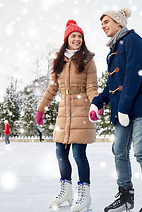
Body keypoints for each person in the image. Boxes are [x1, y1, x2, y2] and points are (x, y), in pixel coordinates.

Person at [89, 8, 142, 212]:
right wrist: (97, 101)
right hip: (123, 111)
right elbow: (112, 85)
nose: (103, 25)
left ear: (119, 22)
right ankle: (125, 197)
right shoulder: (112, 51)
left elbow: (134, 75)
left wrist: (124, 107)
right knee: (119, 151)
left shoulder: (133, 40)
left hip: (140, 107)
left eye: (106, 21)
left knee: (141, 152)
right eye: (101, 23)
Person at [35, 20, 99, 212]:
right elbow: (52, 88)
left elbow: (92, 87)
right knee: (60, 153)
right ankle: (66, 192)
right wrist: (41, 108)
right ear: (67, 39)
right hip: (64, 113)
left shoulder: (88, 60)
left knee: (79, 154)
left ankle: (85, 195)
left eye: (80, 36)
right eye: (74, 36)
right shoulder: (59, 61)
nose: (77, 39)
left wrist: (95, 105)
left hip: (82, 111)